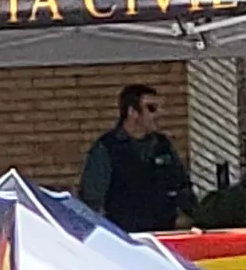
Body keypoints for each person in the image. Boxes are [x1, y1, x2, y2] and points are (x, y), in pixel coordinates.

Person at [79, 82, 195, 233]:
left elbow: (181, 187)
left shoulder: (163, 145)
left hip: (163, 235)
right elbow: (92, 199)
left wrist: (190, 218)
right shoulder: (107, 148)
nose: (158, 114)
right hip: (125, 238)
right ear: (132, 112)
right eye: (151, 108)